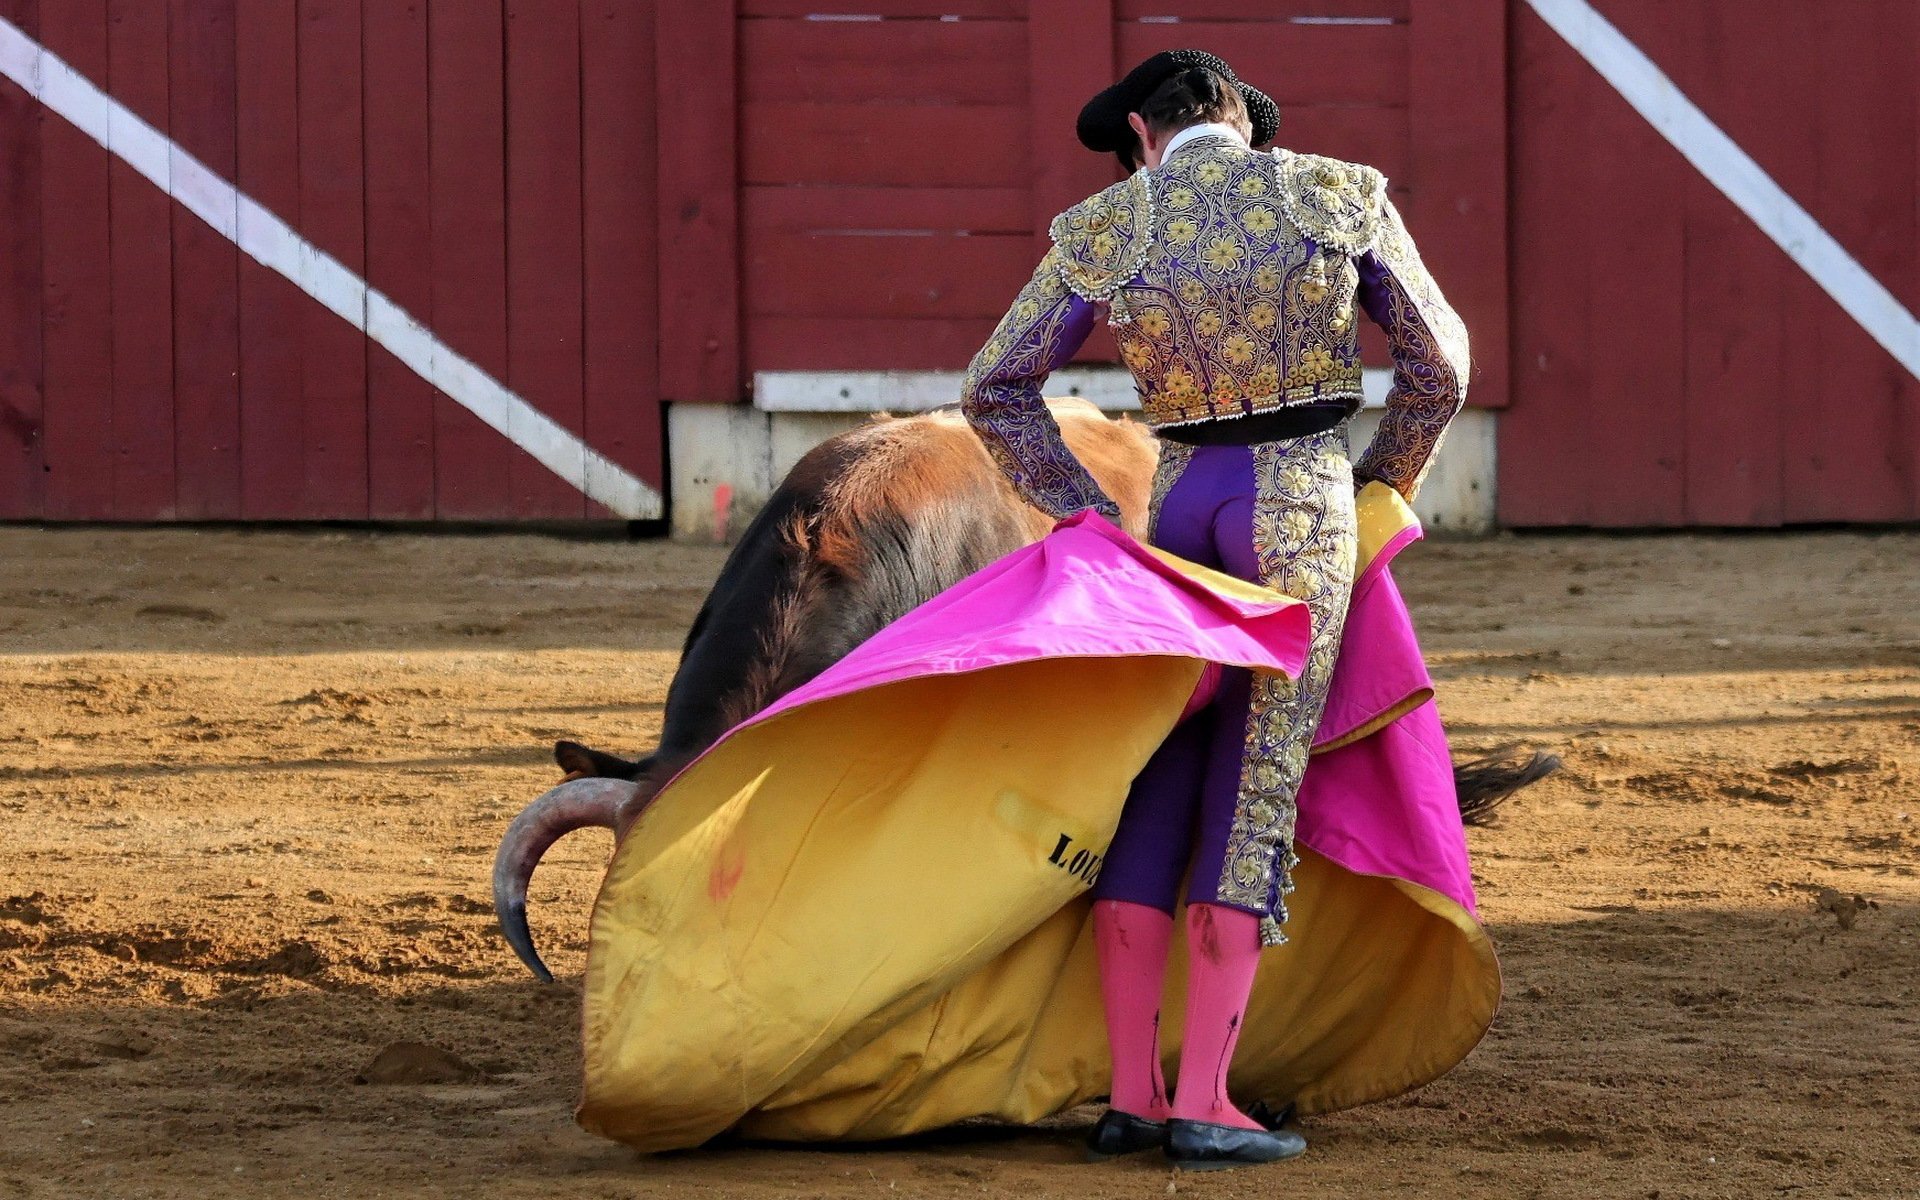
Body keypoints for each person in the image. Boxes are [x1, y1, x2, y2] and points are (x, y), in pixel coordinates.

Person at [960, 49, 1469, 1169]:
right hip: (1296, 493)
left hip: (1179, 503)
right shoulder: (1335, 191)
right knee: (1256, 774)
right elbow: (1440, 364)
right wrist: (1383, 482)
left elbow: (995, 384)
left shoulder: (1109, 223)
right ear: (1239, 118)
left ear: (1144, 131)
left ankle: (1134, 1096)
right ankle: (1208, 1101)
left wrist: (1088, 513)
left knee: (1161, 767)